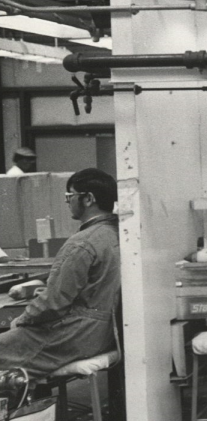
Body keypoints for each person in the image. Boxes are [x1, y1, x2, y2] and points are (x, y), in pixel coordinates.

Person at [0, 168, 121, 407]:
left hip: (75, 335)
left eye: (70, 196)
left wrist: (22, 319)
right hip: (104, 332)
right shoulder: (118, 232)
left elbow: (54, 303)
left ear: (88, 199)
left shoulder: (82, 242)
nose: (68, 202)